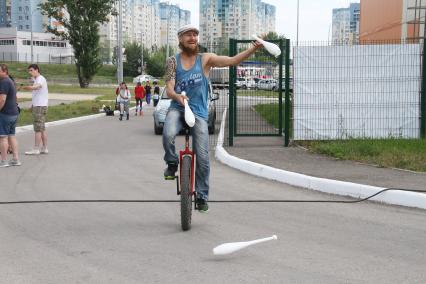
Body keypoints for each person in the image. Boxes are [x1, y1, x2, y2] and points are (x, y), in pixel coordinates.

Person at [162, 24, 263, 212]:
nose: (192, 38)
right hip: (178, 107)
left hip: (199, 112)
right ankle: (171, 162)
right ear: (180, 39)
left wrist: (253, 48)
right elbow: (169, 89)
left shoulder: (205, 59)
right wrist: (178, 97)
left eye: (195, 35)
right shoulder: (172, 61)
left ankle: (202, 196)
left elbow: (232, 61)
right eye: (188, 35)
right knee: (167, 133)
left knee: (202, 155)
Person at [21, 64, 49, 155]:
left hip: (40, 107)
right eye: (29, 71)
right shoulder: (36, 79)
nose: (30, 72)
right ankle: (44, 148)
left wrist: (27, 87)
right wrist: (32, 105)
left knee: (38, 128)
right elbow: (37, 94)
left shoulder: (40, 78)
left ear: (37, 70)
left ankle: (36, 149)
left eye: (31, 70)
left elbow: (36, 87)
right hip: (39, 105)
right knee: (42, 128)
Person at [0, 64, 21, 167]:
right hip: (14, 113)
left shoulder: (4, 82)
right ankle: (16, 159)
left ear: (5, 71)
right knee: (12, 136)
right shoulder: (10, 81)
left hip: (5, 113)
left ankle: (3, 161)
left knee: (3, 137)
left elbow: (2, 99)